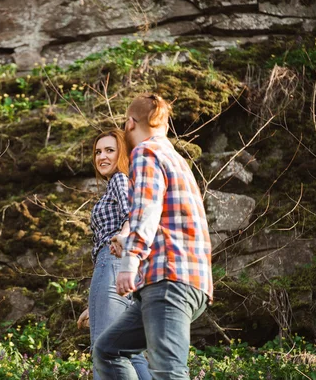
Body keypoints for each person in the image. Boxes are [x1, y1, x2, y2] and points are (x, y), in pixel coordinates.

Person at [93, 93, 214, 380]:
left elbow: (146, 210)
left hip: (168, 280)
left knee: (168, 372)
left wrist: (129, 263)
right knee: (108, 349)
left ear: (130, 123)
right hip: (185, 280)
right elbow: (166, 219)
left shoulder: (146, 153)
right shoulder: (176, 159)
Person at [77, 129, 150, 380]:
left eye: (109, 150)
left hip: (112, 263)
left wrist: (123, 235)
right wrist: (95, 305)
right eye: (98, 152)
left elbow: (133, 216)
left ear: (122, 153)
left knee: (103, 349)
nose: (102, 157)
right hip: (125, 271)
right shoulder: (123, 183)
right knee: (130, 353)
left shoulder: (120, 179)